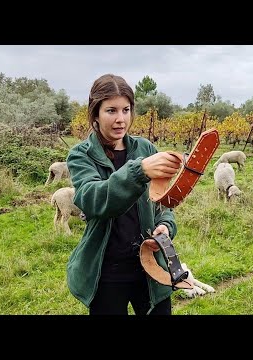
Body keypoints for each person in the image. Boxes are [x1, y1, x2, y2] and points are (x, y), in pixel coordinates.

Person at [66, 74, 182, 315]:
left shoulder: (145, 149)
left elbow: (161, 202)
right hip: (107, 272)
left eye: (126, 110)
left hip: (150, 267)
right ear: (95, 114)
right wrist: (139, 171)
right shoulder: (81, 155)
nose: (120, 119)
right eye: (111, 110)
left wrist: (165, 227)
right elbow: (92, 199)